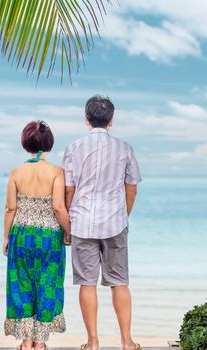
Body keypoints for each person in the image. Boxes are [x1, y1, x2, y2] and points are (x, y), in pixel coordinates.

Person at [62, 95, 142, 350]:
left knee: (87, 282)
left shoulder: (74, 148)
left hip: (81, 221)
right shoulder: (125, 148)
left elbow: (69, 190)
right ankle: (127, 341)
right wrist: (124, 214)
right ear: (111, 121)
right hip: (115, 223)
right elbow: (132, 188)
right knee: (119, 281)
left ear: (87, 120)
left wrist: (68, 223)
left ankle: (93, 342)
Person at [3, 120, 71, 350]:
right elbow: (59, 207)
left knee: (21, 285)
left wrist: (5, 238)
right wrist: (69, 232)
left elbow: (10, 208)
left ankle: (26, 341)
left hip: (20, 236)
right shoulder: (56, 172)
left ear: (25, 143)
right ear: (49, 144)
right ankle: (40, 343)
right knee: (47, 284)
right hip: (49, 238)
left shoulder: (15, 172)